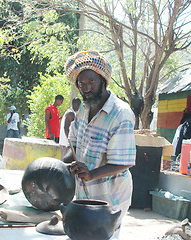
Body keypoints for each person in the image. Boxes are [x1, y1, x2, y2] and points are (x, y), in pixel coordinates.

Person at [62, 50, 136, 238]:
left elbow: (124, 161)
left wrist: (91, 174)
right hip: (85, 191)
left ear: (103, 80)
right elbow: (75, 146)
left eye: (91, 82)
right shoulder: (84, 109)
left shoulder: (121, 114)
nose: (86, 88)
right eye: (81, 83)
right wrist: (61, 166)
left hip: (110, 194)